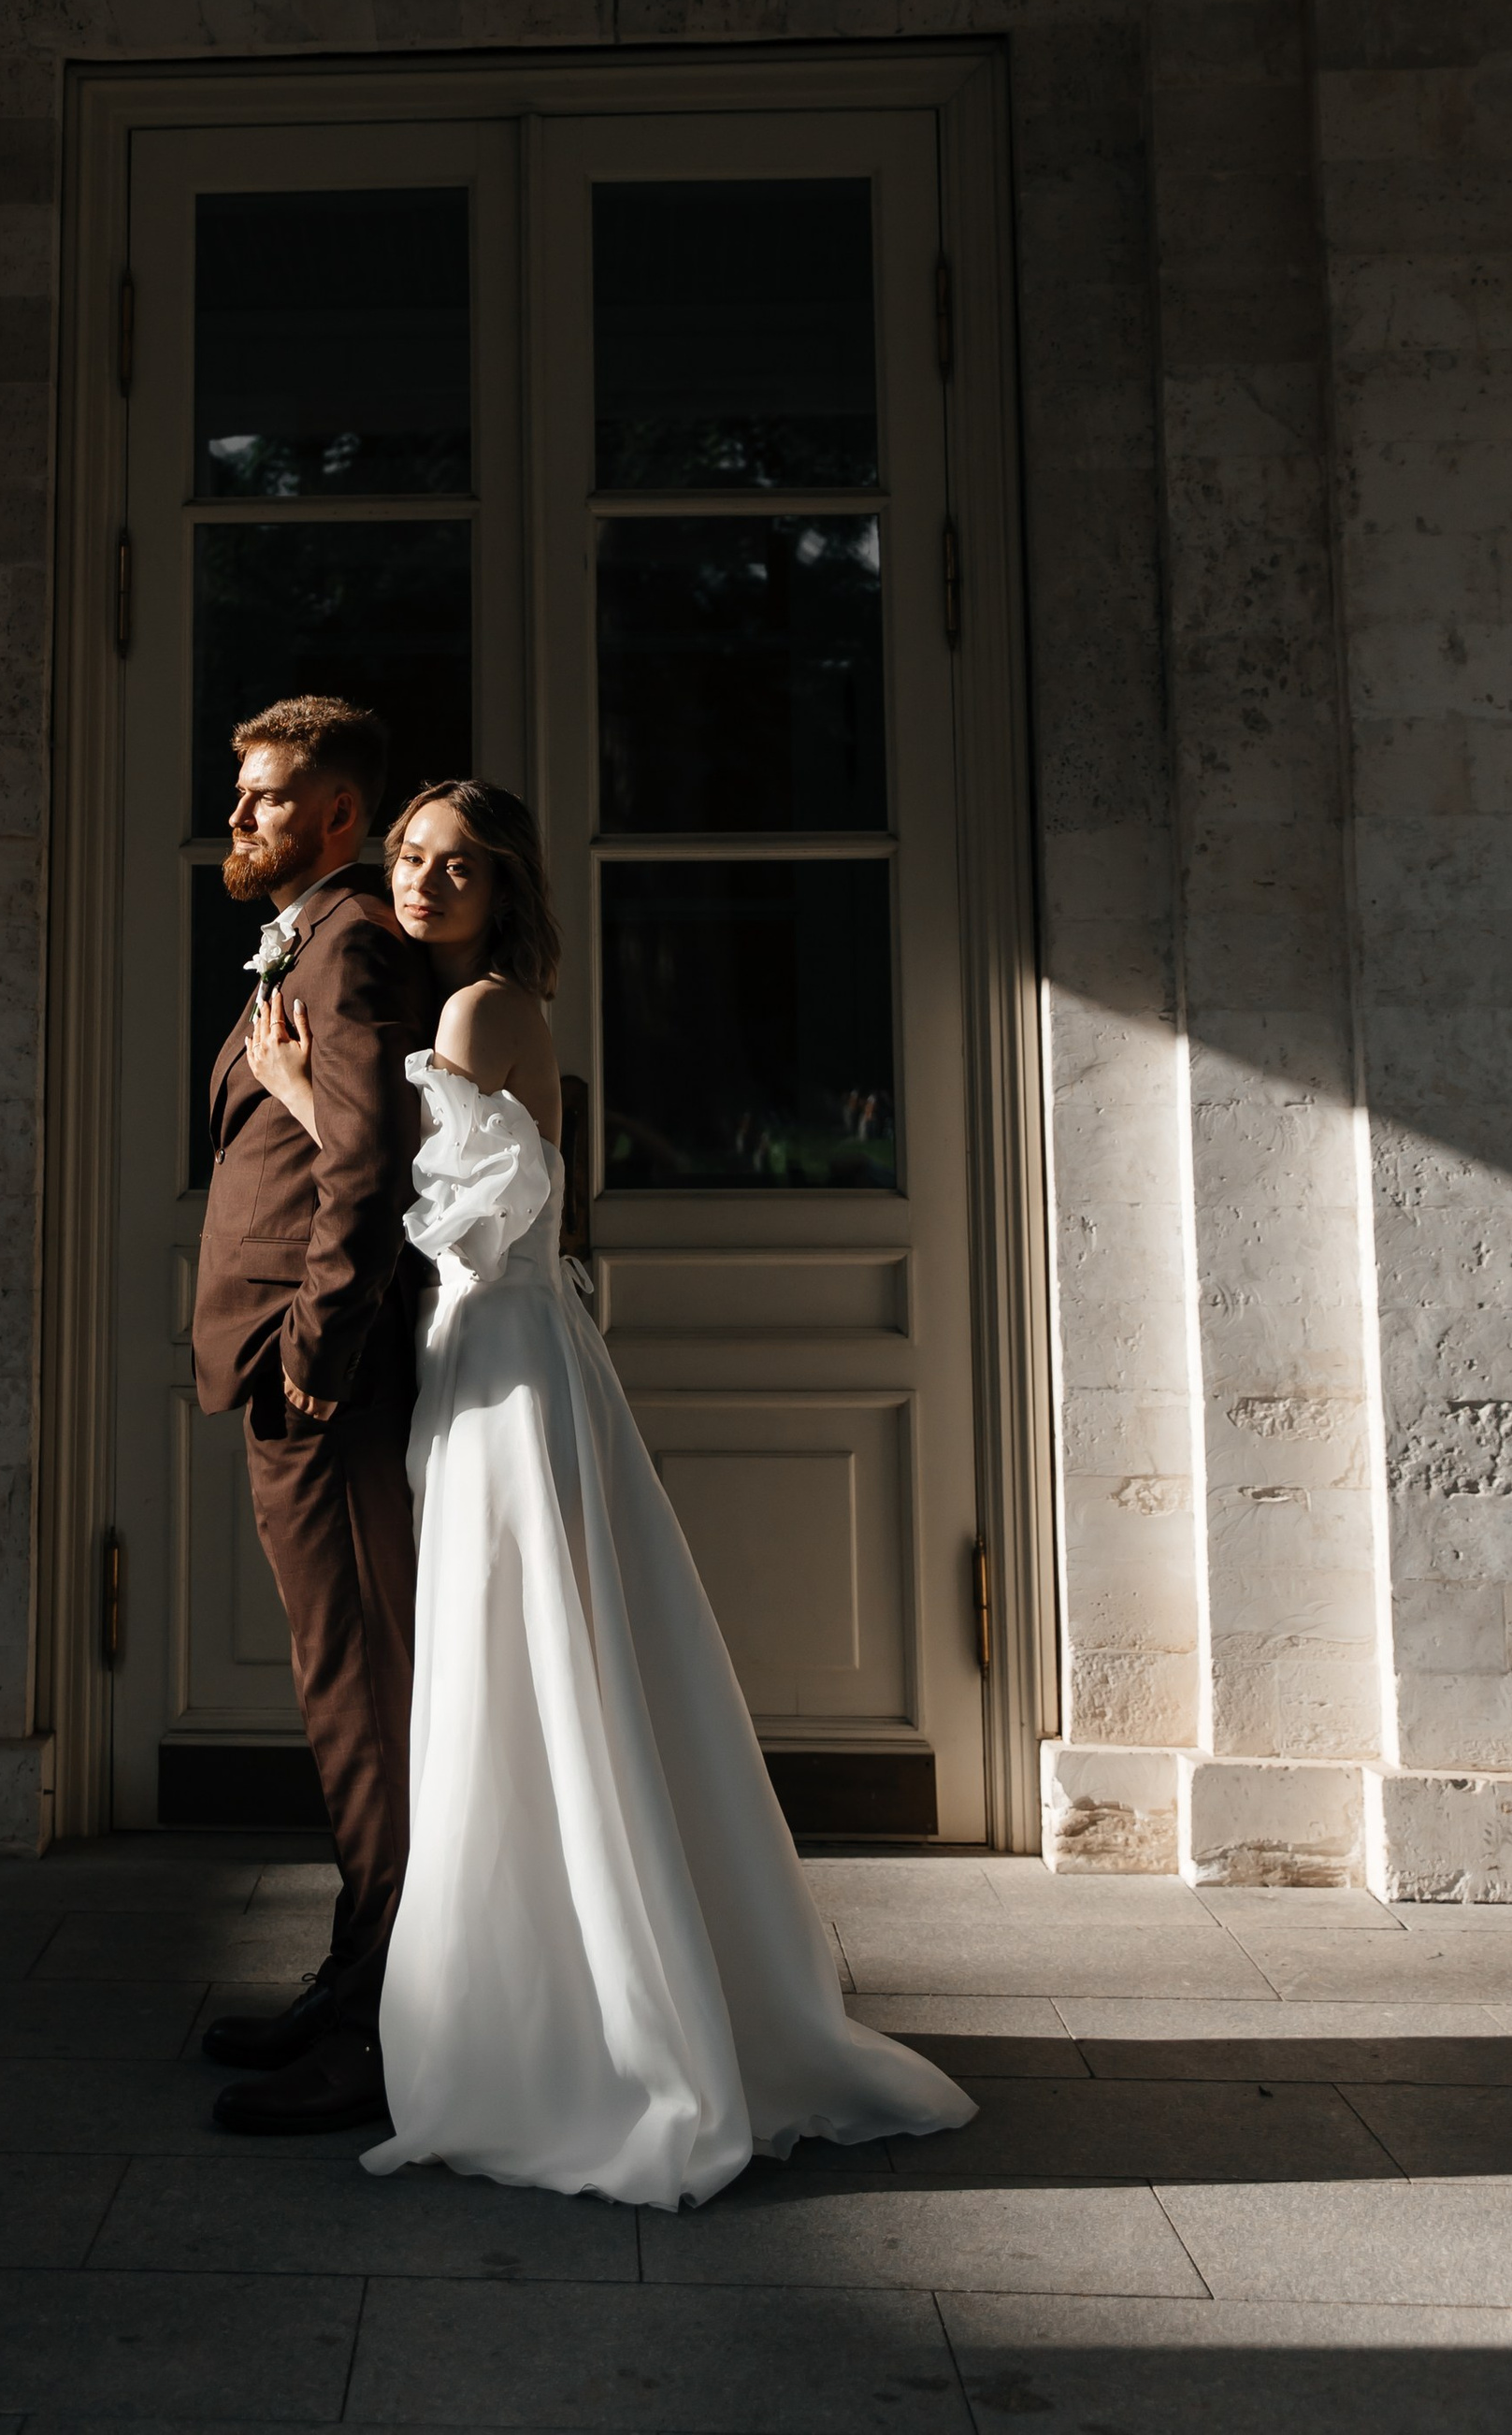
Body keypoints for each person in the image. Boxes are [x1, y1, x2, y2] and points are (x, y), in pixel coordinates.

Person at [244, 774, 976, 2207]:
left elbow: (441, 1217)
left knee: (516, 1668)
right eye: (408, 857)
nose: (421, 883)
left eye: (458, 866)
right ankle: (523, 1995)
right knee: (527, 1668)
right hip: (508, 1349)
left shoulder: (478, 1013)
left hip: (502, 1358)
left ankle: (547, 2037)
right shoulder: (481, 1006)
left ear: (506, 886)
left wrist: (294, 1093)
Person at [192, 695, 437, 2137]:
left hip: (318, 1379)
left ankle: (385, 2029)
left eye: (268, 796)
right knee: (343, 1689)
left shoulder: (348, 941)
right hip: (289, 1368)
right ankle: (355, 1980)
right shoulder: (312, 930)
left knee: (364, 1701)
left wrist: (320, 1344)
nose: (238, 816)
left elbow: (370, 1160)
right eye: (241, 793)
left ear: (339, 812)